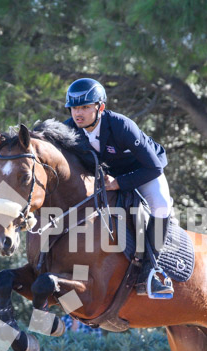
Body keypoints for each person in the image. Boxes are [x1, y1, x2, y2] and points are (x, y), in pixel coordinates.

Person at [64, 77, 174, 299]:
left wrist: (118, 183)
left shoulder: (121, 126)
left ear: (100, 107)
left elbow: (153, 168)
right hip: (108, 177)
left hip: (143, 170)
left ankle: (152, 270)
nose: (78, 113)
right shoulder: (69, 130)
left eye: (85, 107)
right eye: (74, 108)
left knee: (161, 205)